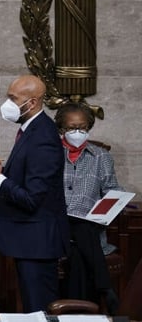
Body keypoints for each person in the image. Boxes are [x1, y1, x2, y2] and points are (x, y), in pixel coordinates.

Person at [0, 74, 69, 312]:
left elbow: (32, 198)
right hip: (29, 240)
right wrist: (0, 170)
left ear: (32, 102)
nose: (7, 104)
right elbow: (29, 174)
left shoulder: (43, 138)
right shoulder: (32, 129)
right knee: (32, 307)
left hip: (37, 242)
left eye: (13, 98)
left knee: (39, 309)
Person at [54, 102, 123, 313]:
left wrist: (111, 206)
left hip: (89, 228)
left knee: (79, 242)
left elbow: (112, 190)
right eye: (72, 127)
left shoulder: (101, 156)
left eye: (82, 128)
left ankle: (72, 313)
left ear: (89, 127)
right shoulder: (50, 154)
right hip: (57, 228)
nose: (77, 132)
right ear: (62, 129)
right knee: (78, 231)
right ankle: (105, 288)